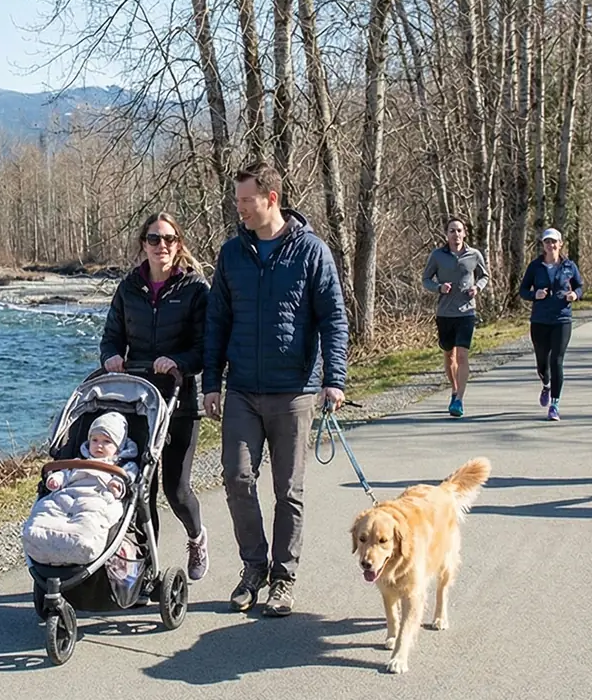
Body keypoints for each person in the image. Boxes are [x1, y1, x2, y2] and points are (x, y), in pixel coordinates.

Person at [202, 160, 348, 618]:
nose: (240, 209)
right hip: (243, 388)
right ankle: (253, 568)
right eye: (238, 201)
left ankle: (283, 579)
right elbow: (217, 322)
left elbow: (333, 318)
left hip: (295, 391)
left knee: (289, 491)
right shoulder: (232, 254)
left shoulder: (311, 252)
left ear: (271, 198)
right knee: (237, 478)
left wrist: (334, 379)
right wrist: (211, 383)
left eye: (247, 201)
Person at [100, 211, 211, 580]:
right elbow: (111, 335)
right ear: (143, 244)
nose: (160, 246)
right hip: (136, 400)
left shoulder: (195, 289)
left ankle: (196, 538)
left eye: (168, 239)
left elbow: (204, 347)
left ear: (178, 245)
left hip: (178, 401)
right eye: (153, 239)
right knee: (139, 487)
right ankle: (147, 568)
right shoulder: (129, 288)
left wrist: (177, 361)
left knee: (176, 490)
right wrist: (111, 356)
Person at [21, 413, 141, 567]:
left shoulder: (122, 465)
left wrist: (118, 484)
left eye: (107, 442)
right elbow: (65, 472)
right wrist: (56, 479)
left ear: (119, 446)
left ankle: (81, 541)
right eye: (95, 440)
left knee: (95, 517)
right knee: (47, 506)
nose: (99, 445)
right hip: (68, 494)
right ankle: (39, 536)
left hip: (98, 497)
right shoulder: (78, 461)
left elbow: (129, 476)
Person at [421, 217, 490, 418]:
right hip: (444, 313)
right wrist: (438, 288)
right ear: (446, 234)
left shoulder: (474, 255)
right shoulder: (437, 256)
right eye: (452, 230)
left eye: (459, 230)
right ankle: (453, 389)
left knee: (462, 356)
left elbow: (484, 276)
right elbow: (426, 279)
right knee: (449, 355)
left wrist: (477, 287)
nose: (456, 234)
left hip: (467, 312)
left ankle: (459, 399)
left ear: (464, 233)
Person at [518, 228, 583, 421]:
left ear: (560, 244)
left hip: (562, 319)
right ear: (543, 245)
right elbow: (523, 290)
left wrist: (574, 295)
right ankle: (546, 384)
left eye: (554, 242)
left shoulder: (569, 266)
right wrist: (534, 295)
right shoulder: (535, 266)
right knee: (542, 363)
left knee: (557, 360)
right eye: (547, 242)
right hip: (540, 320)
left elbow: (580, 286)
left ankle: (554, 404)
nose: (551, 245)